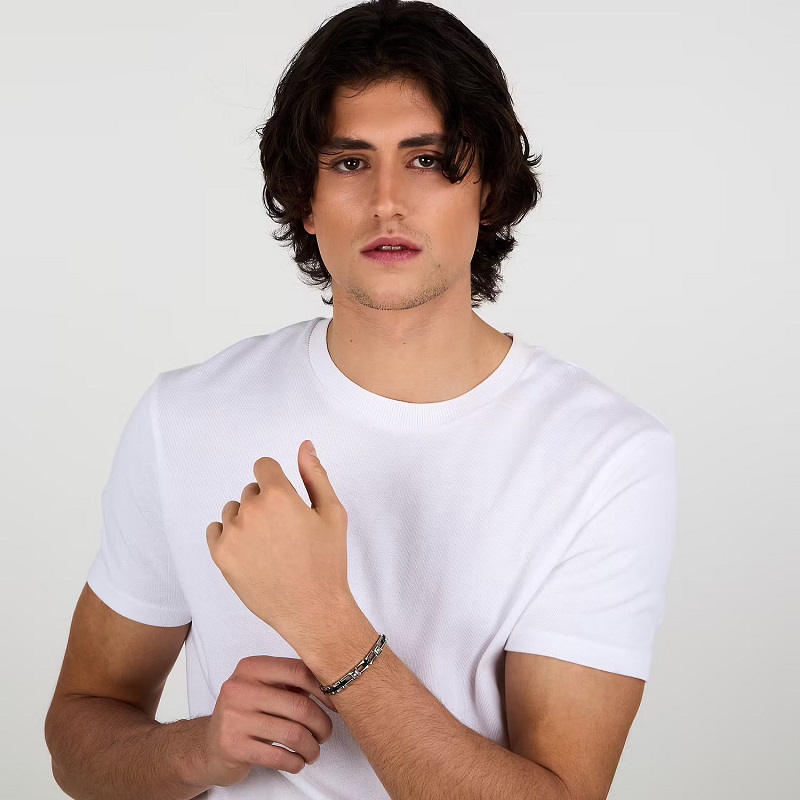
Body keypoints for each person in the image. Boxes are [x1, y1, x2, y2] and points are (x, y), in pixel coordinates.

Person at [45, 1, 677, 798]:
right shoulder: (185, 416)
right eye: (349, 163)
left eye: (427, 160)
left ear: (487, 190)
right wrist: (198, 749)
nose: (387, 201)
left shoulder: (606, 456)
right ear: (304, 200)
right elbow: (78, 736)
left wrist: (325, 622)